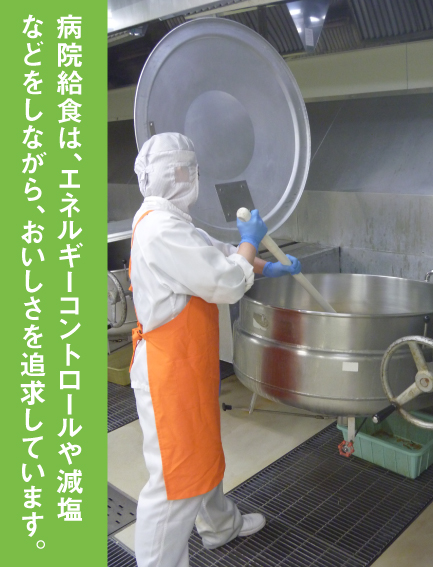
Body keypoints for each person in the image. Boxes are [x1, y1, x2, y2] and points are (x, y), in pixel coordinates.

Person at [128, 132, 301, 567]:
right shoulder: (159, 230)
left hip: (187, 363)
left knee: (202, 450)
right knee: (175, 479)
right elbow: (224, 281)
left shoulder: (170, 219)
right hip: (168, 372)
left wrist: (264, 264)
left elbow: (215, 252)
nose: (193, 177)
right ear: (175, 174)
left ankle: (219, 526)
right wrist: (250, 242)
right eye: (188, 169)